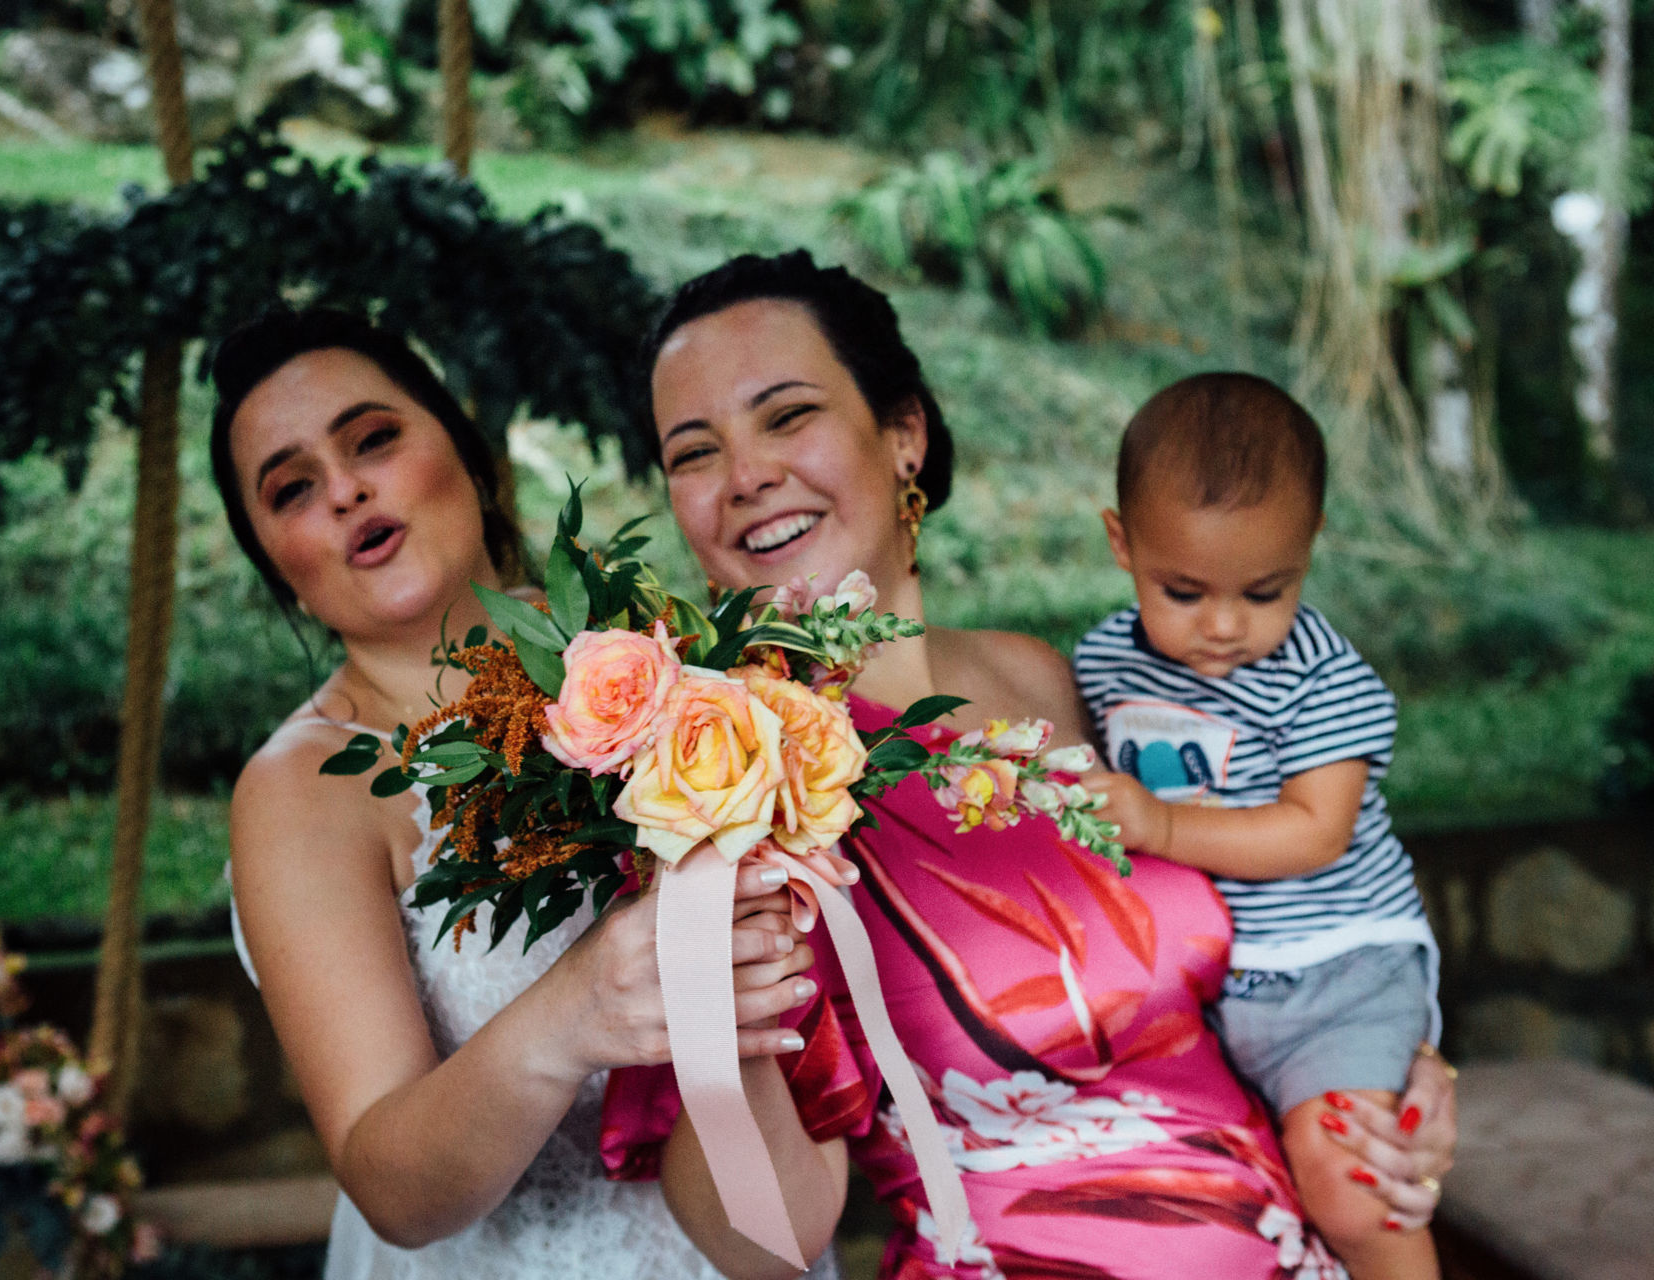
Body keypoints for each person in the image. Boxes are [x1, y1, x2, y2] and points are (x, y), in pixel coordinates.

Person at [606, 251, 1457, 1280]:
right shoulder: (722, 788)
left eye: (787, 416)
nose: (745, 475)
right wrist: (714, 974)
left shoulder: (1048, 677)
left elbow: (1273, 912)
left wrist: (1386, 1069)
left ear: (905, 434)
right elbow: (771, 1247)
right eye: (695, 452)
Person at [210, 306, 834, 1279]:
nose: (344, 490)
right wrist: (574, 1011)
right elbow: (394, 1192)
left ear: (471, 456)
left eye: (373, 439)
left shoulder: (665, 658)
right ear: (278, 572)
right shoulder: (302, 792)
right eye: (292, 488)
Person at [1074, 373, 1440, 1280]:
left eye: (1266, 592)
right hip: (1207, 990)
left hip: (1339, 973)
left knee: (1353, 1189)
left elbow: (1316, 832)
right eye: (1183, 591)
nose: (1225, 626)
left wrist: (1162, 824)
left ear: (1308, 548)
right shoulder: (1104, 662)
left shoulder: (1322, 679)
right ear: (1121, 543)